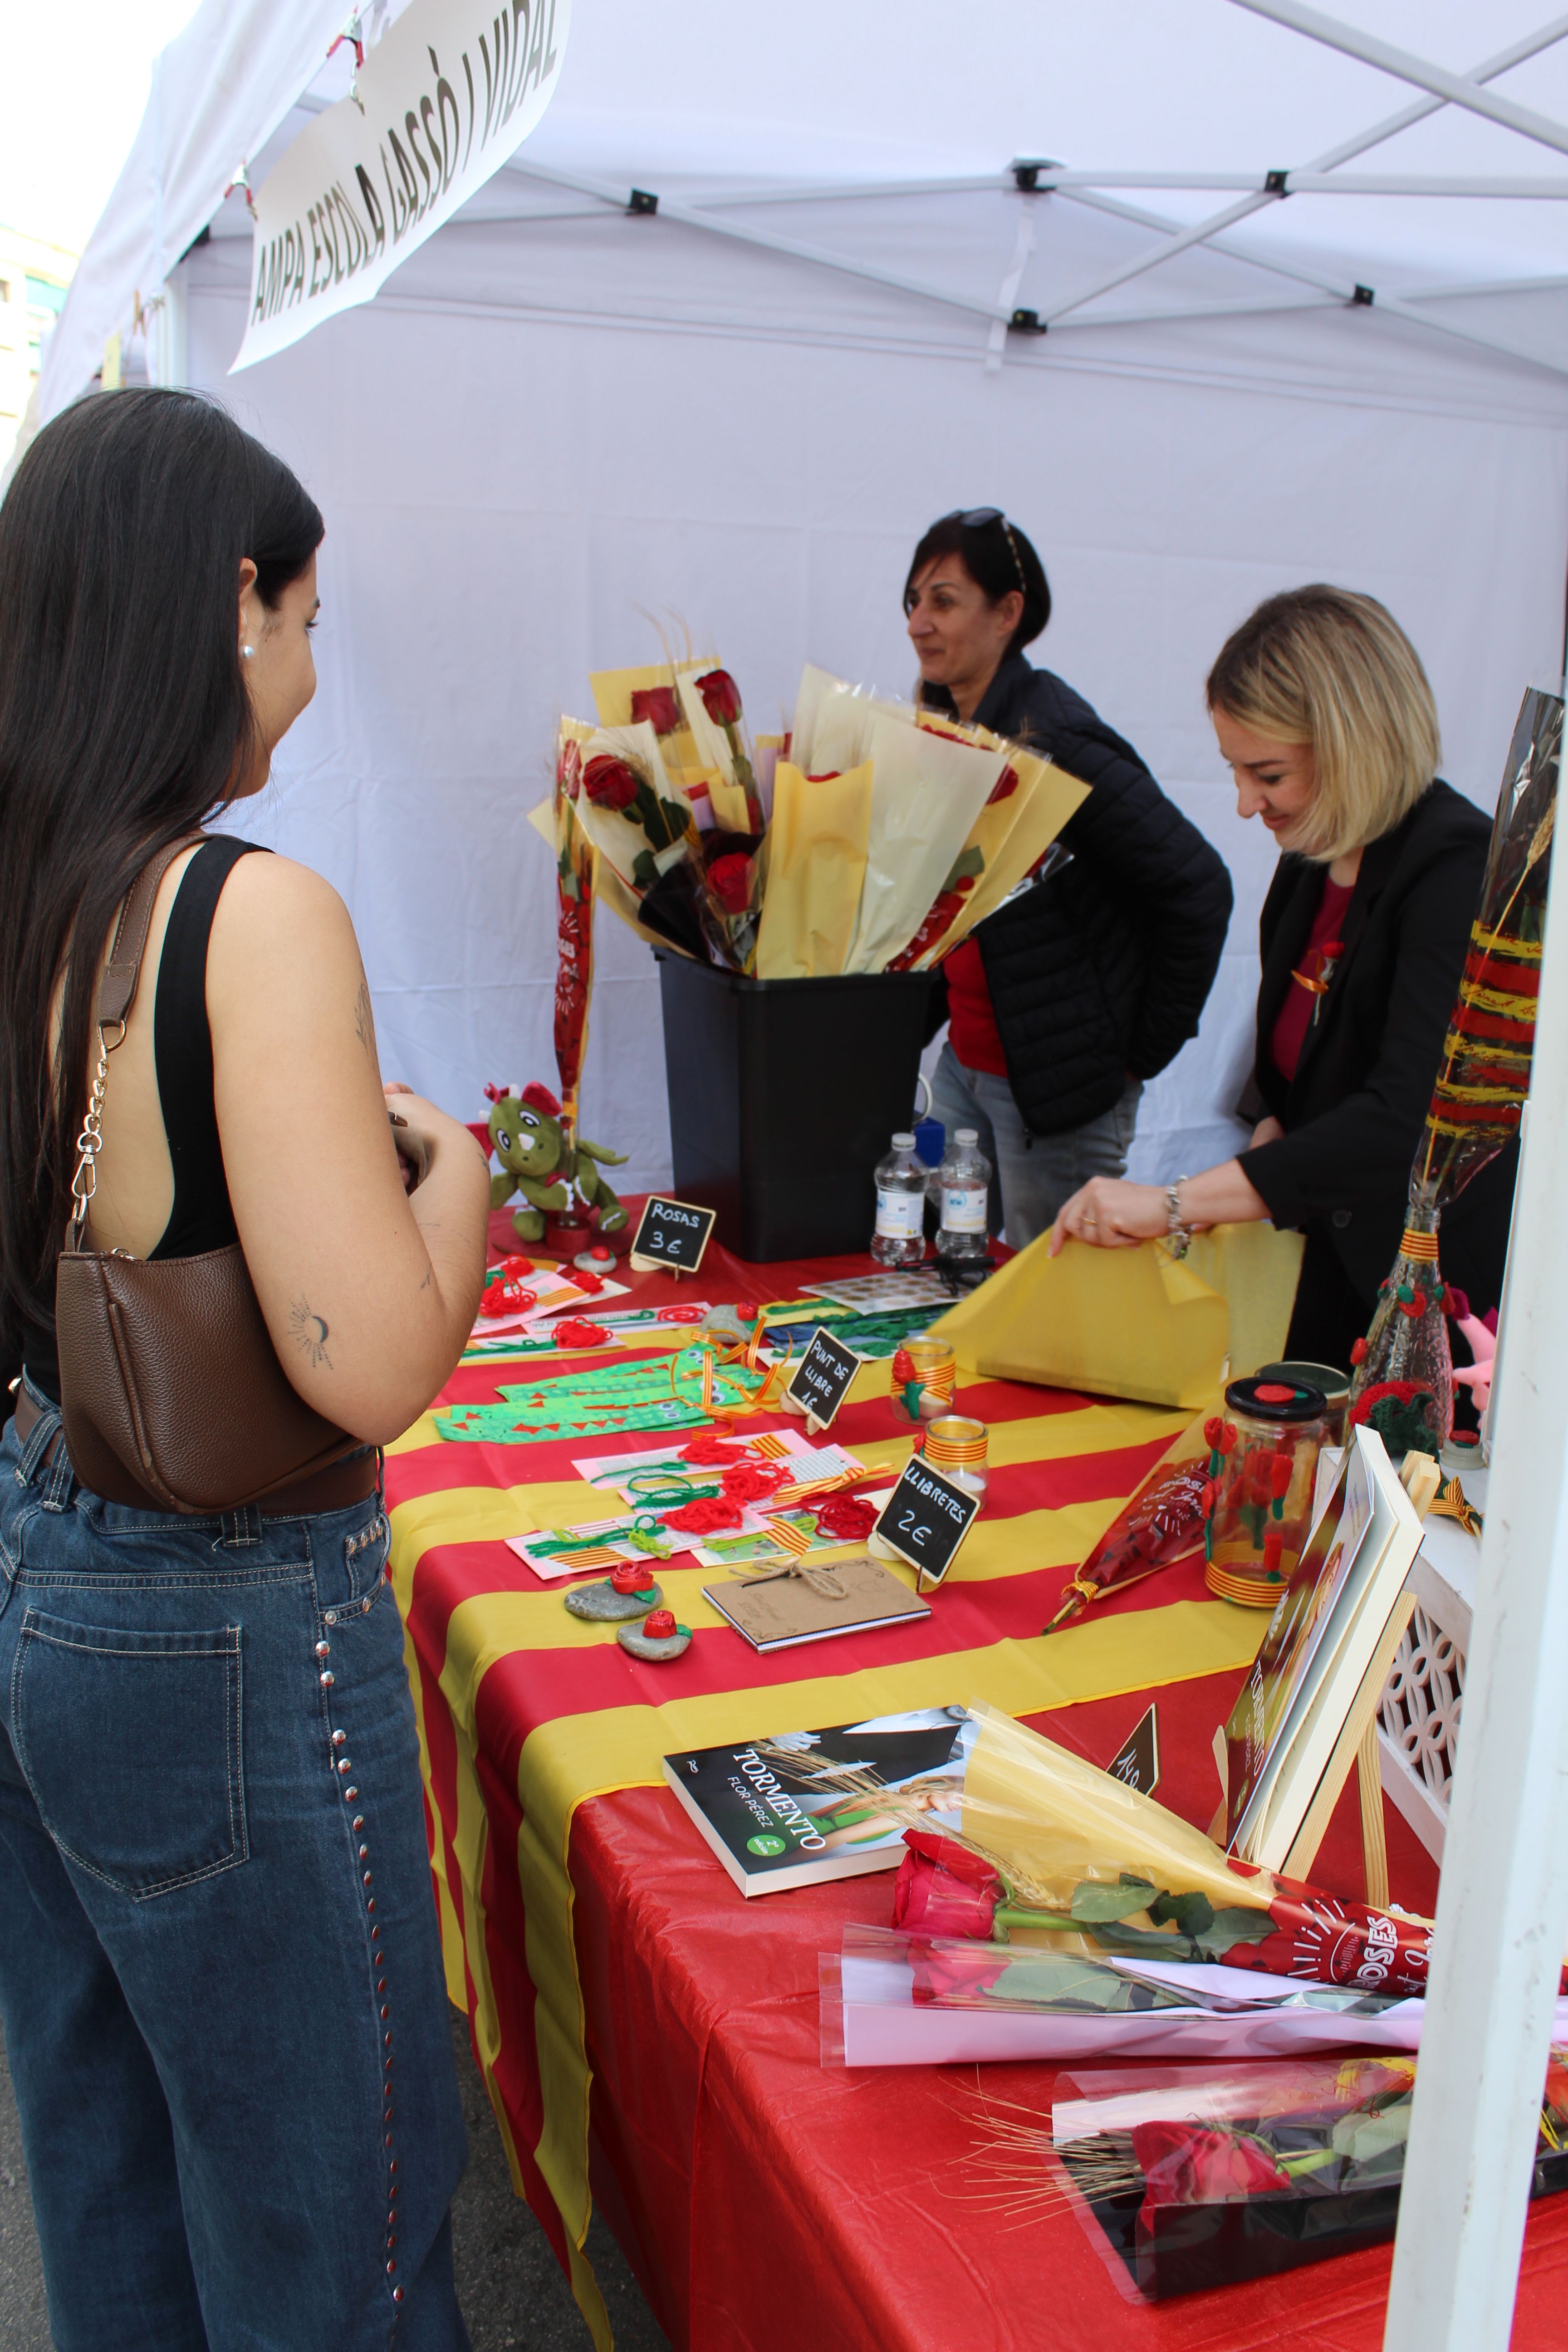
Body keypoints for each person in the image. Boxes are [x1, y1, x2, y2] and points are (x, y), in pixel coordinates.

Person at [0, 391, 491, 2349]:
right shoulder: (239, 906)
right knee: (330, 2222)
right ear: (232, 600)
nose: (309, 660)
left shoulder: (37, 885)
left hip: (40, 1548)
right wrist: (448, 1181)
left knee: (110, 2152)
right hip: (218, 1620)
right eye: (306, 608)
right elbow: (367, 1362)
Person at [1050, 584, 1517, 1372]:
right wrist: (1258, 1155)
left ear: (1351, 742)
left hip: (1437, 1305)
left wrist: (1177, 1203)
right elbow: (1298, 1082)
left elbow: (1401, 1121)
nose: (1243, 804)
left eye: (1266, 774)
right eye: (1237, 771)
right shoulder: (1310, 867)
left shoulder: (1455, 870)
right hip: (1329, 1274)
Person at [905, 507, 1234, 1248]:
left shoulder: (1054, 740)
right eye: (914, 601)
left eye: (945, 601)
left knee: (1046, 1293)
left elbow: (1199, 887)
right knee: (949, 1260)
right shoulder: (947, 729)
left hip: (1055, 1094)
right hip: (967, 1065)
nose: (919, 622)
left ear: (1007, 614)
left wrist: (1130, 1057)